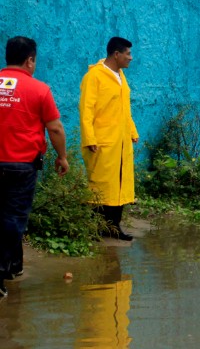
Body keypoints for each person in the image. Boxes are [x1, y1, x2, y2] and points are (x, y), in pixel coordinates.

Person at [0, 36, 69, 297]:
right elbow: (55, 127)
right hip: (20, 167)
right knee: (13, 219)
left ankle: (14, 266)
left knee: (5, 218)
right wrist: (62, 157)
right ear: (30, 60)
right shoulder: (39, 89)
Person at [79, 37, 139, 241]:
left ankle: (114, 228)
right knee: (100, 185)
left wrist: (132, 131)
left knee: (119, 185)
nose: (131, 58)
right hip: (102, 142)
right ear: (116, 54)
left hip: (121, 142)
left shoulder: (121, 76)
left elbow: (125, 108)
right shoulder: (94, 76)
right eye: (128, 54)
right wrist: (89, 138)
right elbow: (86, 109)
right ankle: (95, 228)